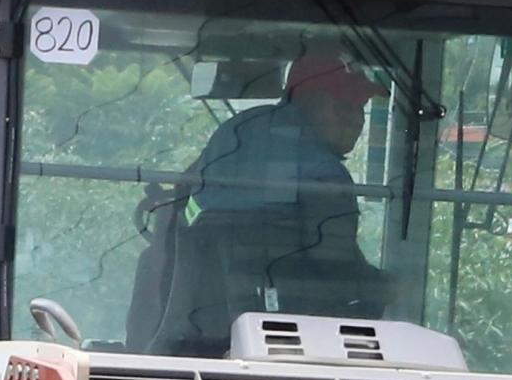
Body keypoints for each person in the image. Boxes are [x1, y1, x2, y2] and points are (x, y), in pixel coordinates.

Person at [138, 46, 389, 350]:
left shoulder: (237, 131)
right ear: (308, 101)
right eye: (344, 107)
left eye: (360, 108)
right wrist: (385, 288)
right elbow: (335, 270)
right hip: (282, 342)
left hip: (193, 329)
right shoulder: (325, 176)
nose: (356, 121)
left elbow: (180, 198)